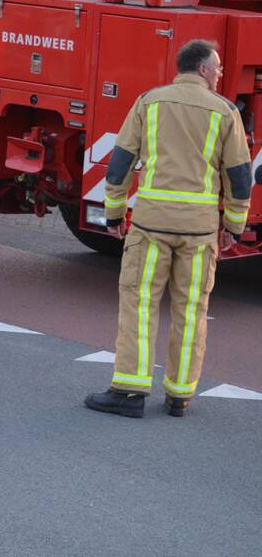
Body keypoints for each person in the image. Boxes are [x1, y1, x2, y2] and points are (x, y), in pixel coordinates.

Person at [85, 39, 252, 418]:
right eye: (219, 68)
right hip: (199, 231)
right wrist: (234, 226)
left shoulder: (150, 101)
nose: (221, 73)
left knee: (140, 303)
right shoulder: (225, 111)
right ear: (204, 70)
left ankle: (129, 391)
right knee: (191, 309)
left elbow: (121, 162)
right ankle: (180, 395)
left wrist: (114, 215)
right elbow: (239, 177)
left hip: (151, 225)